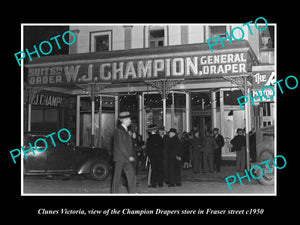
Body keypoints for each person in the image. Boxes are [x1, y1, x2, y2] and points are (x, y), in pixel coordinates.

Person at [111, 111, 137, 193]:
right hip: (121, 158)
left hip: (124, 158)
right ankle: (114, 193)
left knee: (131, 175)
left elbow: (126, 144)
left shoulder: (124, 130)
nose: (130, 120)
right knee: (117, 178)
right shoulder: (119, 130)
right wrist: (129, 156)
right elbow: (121, 145)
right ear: (124, 120)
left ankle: (132, 192)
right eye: (129, 119)